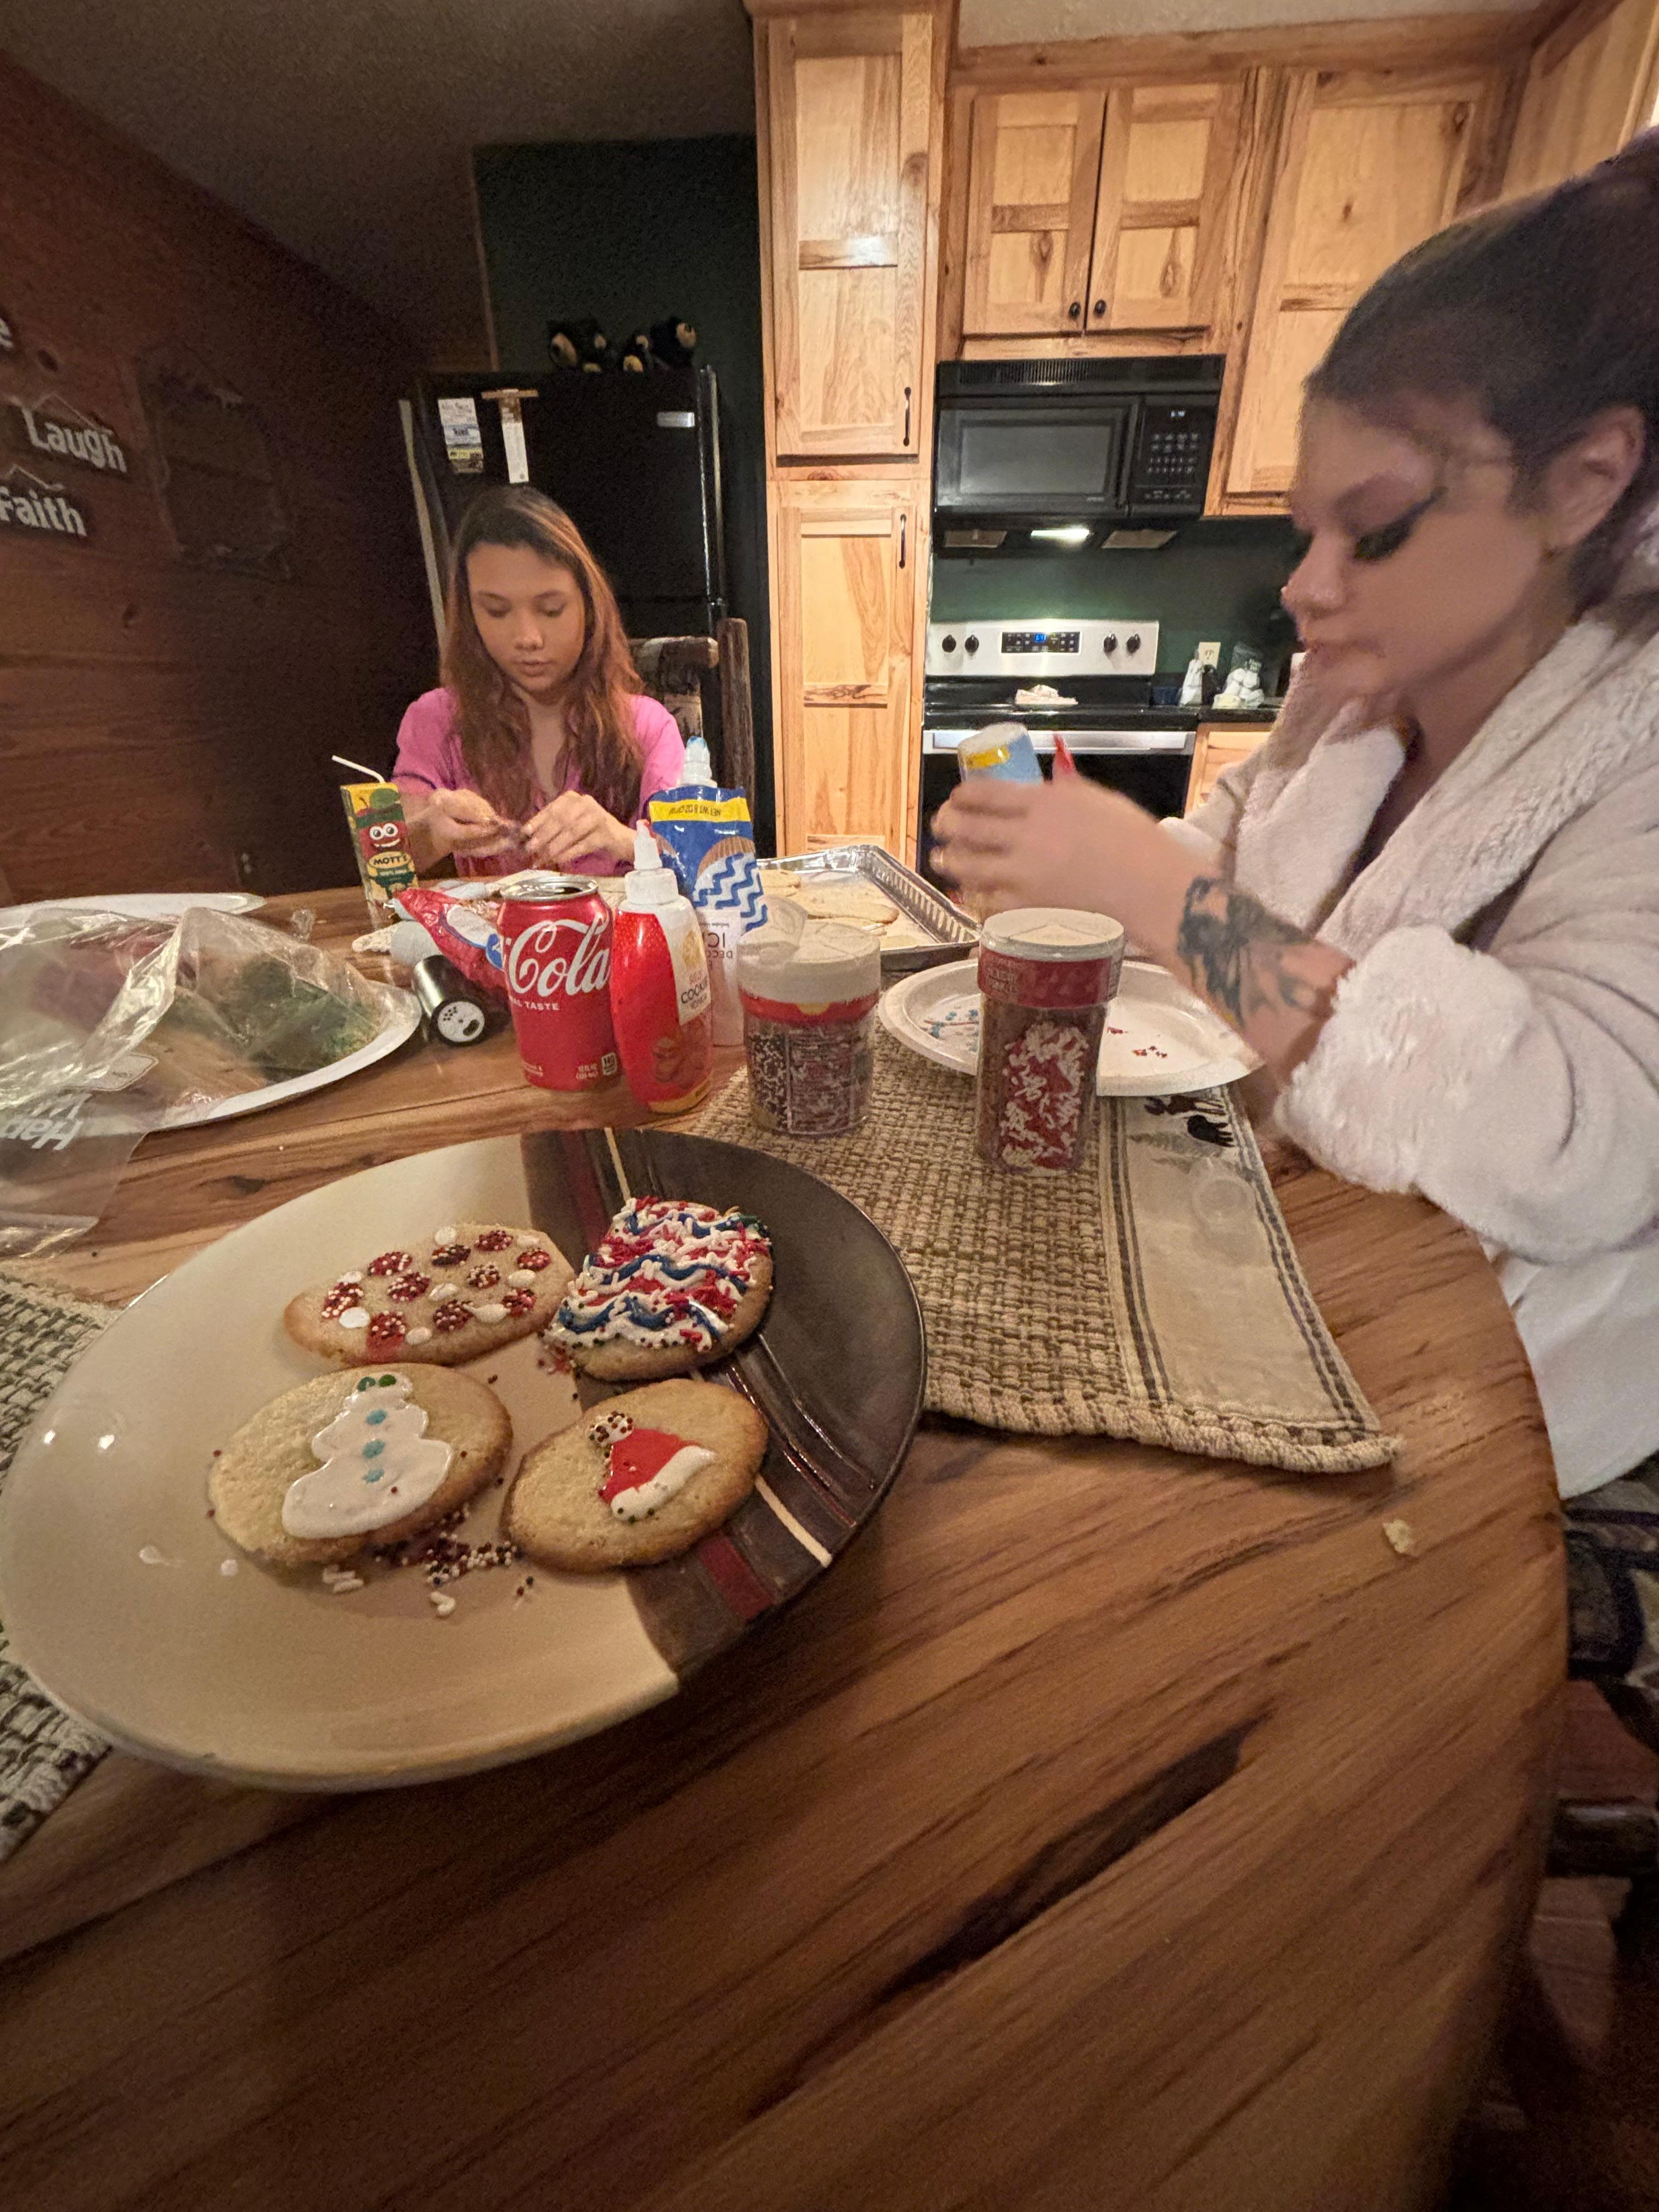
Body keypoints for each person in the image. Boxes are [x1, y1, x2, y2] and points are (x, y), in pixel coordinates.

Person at [933, 134, 1659, 1717]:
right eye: (1305, 532)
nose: (1307, 588)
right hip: (1266, 1245)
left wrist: (1148, 887)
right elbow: (1230, 851)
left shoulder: (1642, 744)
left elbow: (1582, 1141)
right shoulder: (1357, 692)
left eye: (1374, 529)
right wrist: (1087, 863)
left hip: (1491, 1387)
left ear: (1585, 482)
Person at [392, 486, 685, 877]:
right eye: (497, 611)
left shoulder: (648, 726)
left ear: (589, 607)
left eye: (551, 610)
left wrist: (620, 839)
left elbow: (697, 865)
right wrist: (431, 830)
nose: (528, 638)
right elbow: (388, 854)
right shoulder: (436, 719)